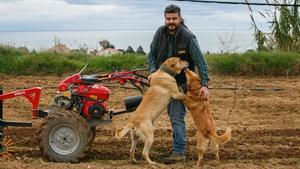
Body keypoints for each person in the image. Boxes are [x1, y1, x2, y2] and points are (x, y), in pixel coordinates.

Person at [147, 4, 210, 163]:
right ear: (165, 19)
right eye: (168, 19)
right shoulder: (159, 33)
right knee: (171, 116)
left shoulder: (188, 37)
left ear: (180, 18)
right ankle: (177, 146)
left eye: (174, 18)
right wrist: (153, 71)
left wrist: (205, 85)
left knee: (176, 117)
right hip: (163, 83)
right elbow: (151, 55)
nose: (171, 21)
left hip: (180, 84)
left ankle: (179, 152)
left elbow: (201, 63)